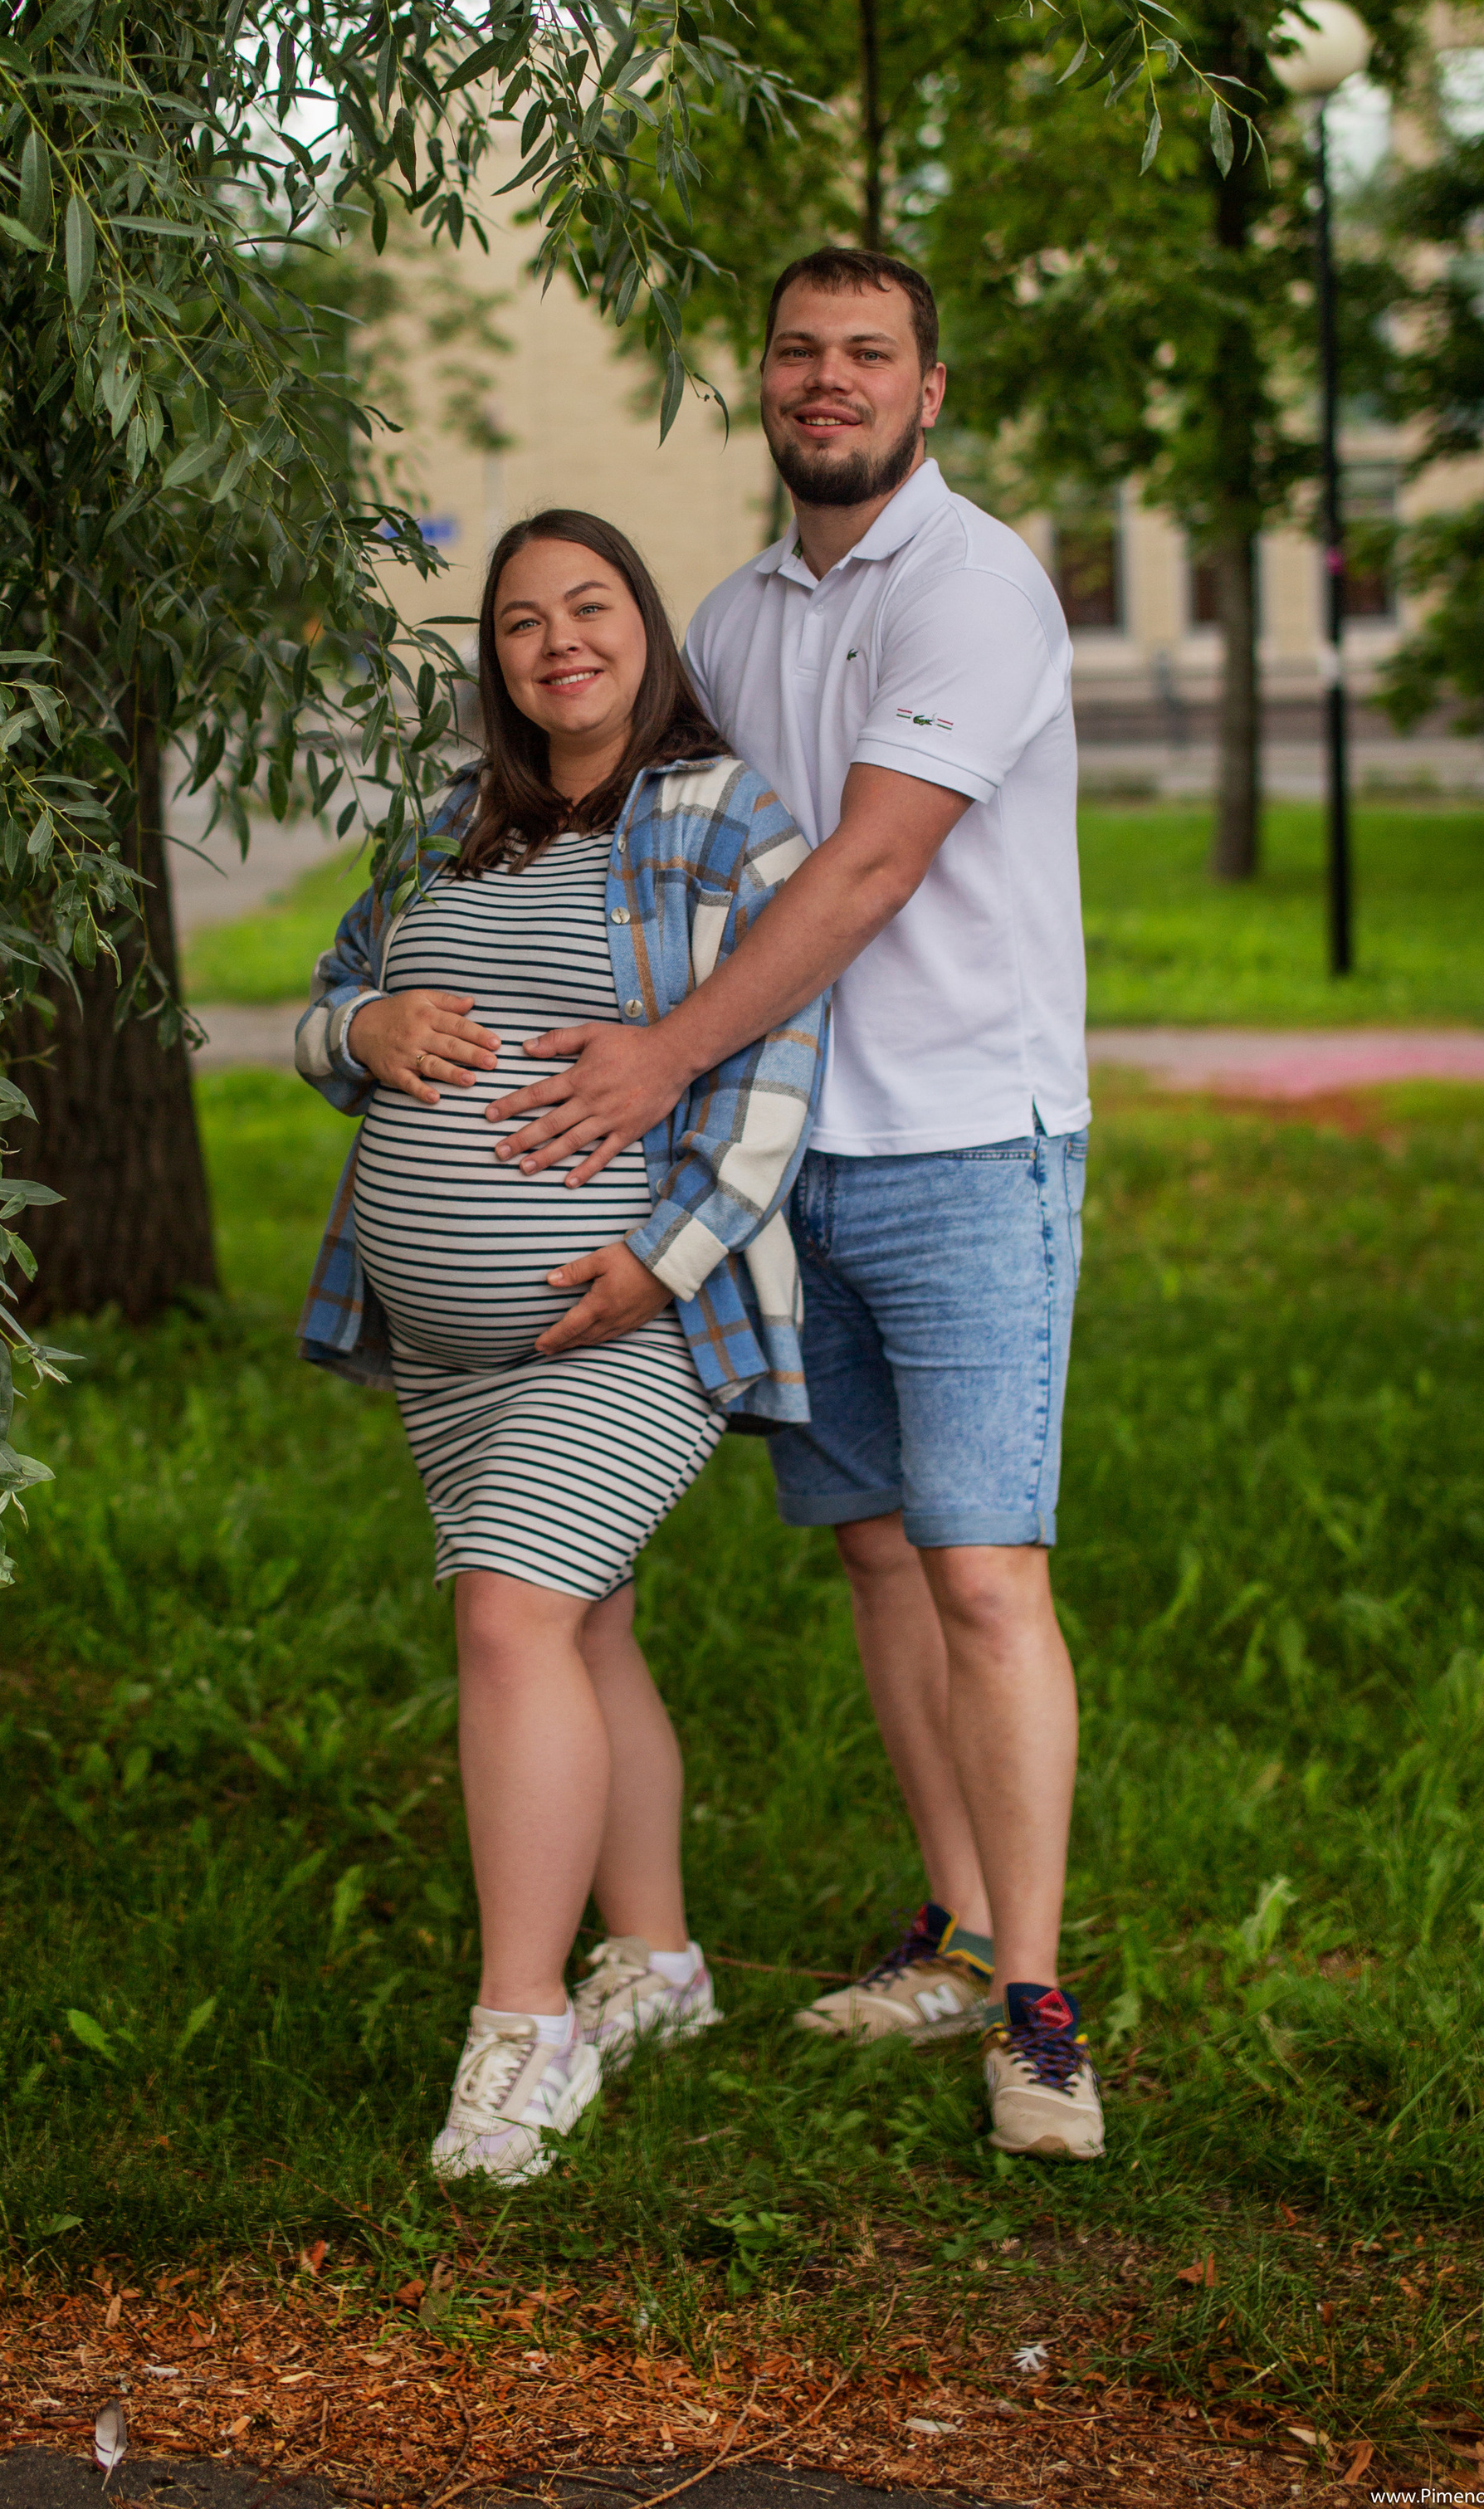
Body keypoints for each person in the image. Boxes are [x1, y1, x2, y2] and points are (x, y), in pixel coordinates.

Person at [481, 250, 1102, 2163]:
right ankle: (957, 1933)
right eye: (795, 352)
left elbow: (863, 871)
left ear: (927, 389)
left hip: (966, 1143)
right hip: (787, 1160)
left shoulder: (974, 585)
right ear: (761, 382)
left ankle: (1037, 2015)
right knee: (878, 1559)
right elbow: (655, 835)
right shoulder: (738, 618)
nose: (825, 380)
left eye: (866, 354)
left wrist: (658, 1059)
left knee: (984, 1572)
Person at [295, 510, 826, 2188]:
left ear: (643, 631)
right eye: (520, 620)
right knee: (583, 1628)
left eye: (588, 607)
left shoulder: (720, 815)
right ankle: (656, 1966)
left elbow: (777, 1061)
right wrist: (363, 1025)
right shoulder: (444, 825)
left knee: (510, 1612)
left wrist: (664, 1266)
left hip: (633, 1316)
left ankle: (522, 2032)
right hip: (442, 1343)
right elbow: (321, 1013)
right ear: (496, 660)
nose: (556, 641)